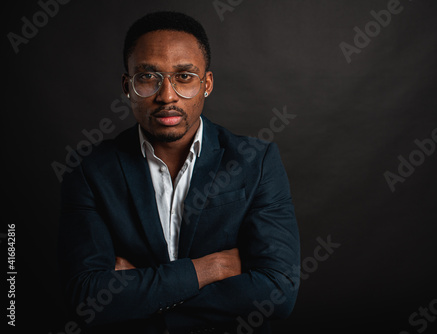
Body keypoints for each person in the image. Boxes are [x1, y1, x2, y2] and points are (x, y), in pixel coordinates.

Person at [58, 11, 300, 334]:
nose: (167, 96)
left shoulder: (257, 162)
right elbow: (87, 299)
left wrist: (142, 291)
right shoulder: (89, 171)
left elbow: (278, 292)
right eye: (148, 78)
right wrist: (208, 268)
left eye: (184, 76)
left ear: (207, 84)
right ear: (127, 86)